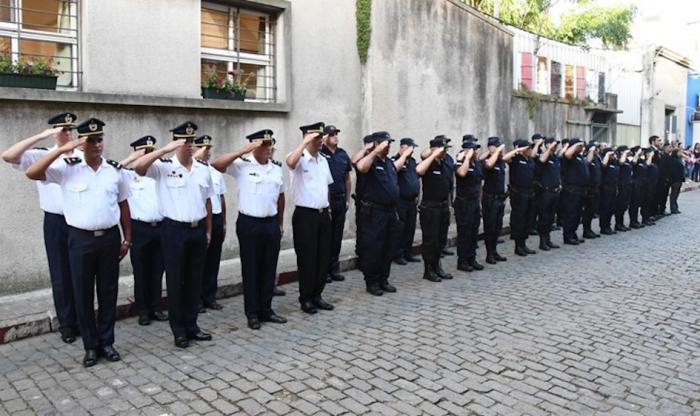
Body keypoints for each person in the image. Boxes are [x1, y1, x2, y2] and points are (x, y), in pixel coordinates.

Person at [25, 118, 132, 368]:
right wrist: (63, 149)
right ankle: (91, 346)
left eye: (99, 139)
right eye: (91, 140)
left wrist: (128, 238)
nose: (97, 145)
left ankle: (107, 341)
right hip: (80, 239)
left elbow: (124, 204)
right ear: (81, 143)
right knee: (82, 293)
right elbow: (32, 173)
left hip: (109, 239)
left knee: (108, 292)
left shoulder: (115, 170)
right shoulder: (67, 169)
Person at [133, 121, 215, 349]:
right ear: (176, 143)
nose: (189, 145)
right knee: (176, 281)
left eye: (191, 141)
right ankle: (178, 330)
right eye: (184, 141)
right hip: (173, 230)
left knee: (194, 280)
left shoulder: (202, 169)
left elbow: (207, 200)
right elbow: (138, 168)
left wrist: (208, 230)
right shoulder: (163, 166)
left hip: (196, 229)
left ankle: (192, 325)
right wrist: (165, 150)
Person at [1, 113, 81, 344]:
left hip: (80, 221)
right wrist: (41, 136)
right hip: (56, 221)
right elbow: (8, 156)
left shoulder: (83, 156)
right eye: (61, 129)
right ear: (53, 131)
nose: (67, 133)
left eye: (70, 129)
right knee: (61, 274)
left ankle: (83, 319)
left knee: (82, 273)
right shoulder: (41, 155)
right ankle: (67, 323)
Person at [213, 129, 287, 330]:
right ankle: (252, 313)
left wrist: (280, 222)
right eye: (263, 144)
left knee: (268, 268)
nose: (268, 148)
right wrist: (243, 150)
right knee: (251, 269)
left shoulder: (276, 168)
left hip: (270, 223)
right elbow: (217, 165)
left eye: (270, 144)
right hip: (250, 224)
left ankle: (266, 309)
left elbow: (281, 196)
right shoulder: (241, 165)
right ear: (253, 146)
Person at [285, 122, 334, 314]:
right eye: (317, 137)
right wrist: (305, 142)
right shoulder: (298, 157)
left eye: (321, 137)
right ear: (307, 137)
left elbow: (327, 187)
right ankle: (305, 298)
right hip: (305, 216)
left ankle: (317, 295)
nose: (321, 141)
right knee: (307, 258)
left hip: (323, 214)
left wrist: (328, 209)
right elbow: (290, 163)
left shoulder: (323, 160)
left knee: (323, 257)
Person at [119, 136, 168, 326]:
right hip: (140, 229)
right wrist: (132, 158)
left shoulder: (159, 172)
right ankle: (143, 310)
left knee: (158, 271)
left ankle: (155, 307)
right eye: (144, 152)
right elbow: (113, 168)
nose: (148, 155)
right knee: (141, 271)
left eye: (150, 151)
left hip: (160, 227)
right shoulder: (128, 175)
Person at [355, 131, 402, 295]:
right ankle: (372, 282)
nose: (388, 146)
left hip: (390, 211)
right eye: (385, 143)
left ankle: (383, 279)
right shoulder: (370, 160)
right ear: (376, 143)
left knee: (388, 247)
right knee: (374, 247)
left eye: (389, 143)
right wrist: (374, 150)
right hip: (374, 211)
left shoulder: (388, 162)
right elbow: (360, 166)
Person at [192, 135, 227, 312]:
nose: (207, 153)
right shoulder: (193, 170)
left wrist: (225, 222)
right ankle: (196, 299)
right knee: (199, 262)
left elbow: (221, 197)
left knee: (214, 260)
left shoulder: (214, 171)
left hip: (217, 217)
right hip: (204, 219)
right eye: (203, 149)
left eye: (208, 149)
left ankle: (209, 296)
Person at [417, 136, 453, 281]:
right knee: (430, 241)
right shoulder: (428, 163)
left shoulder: (445, 164)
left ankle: (437, 266)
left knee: (440, 241)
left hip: (443, 207)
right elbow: (419, 170)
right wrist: (433, 154)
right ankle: (428, 270)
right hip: (430, 208)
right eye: (442, 149)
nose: (444, 152)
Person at [481, 136, 521, 263]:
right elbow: (488, 165)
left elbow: (505, 157)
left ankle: (494, 251)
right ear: (491, 148)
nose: (501, 150)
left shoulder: (500, 162)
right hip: (490, 199)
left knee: (497, 227)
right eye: (497, 146)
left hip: (499, 199)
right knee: (490, 227)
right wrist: (495, 151)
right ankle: (489, 254)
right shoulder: (488, 160)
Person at [320, 125, 352, 283]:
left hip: (340, 199)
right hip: (327, 201)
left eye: (336, 134)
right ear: (325, 137)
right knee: (326, 237)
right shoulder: (320, 153)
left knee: (337, 237)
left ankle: (334, 268)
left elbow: (347, 178)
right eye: (332, 134)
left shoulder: (342, 154)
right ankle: (324, 270)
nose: (336, 137)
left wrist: (347, 200)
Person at [454, 137, 483, 271]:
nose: (475, 152)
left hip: (474, 202)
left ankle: (472, 258)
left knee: (473, 232)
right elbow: (462, 173)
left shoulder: (477, 164)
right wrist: (465, 158)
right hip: (463, 203)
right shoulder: (460, 162)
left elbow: (479, 184)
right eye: (473, 149)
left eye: (476, 150)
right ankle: (462, 261)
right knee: (464, 232)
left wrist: (480, 201)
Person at [507, 138, 540, 256]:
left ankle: (524, 244)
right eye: (528, 148)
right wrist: (518, 150)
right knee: (519, 220)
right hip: (519, 193)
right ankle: (518, 246)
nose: (530, 150)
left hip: (530, 193)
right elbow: (505, 158)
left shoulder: (530, 160)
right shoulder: (516, 159)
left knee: (527, 220)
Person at [392, 138, 421, 265]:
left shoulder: (412, 161)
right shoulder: (395, 160)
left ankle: (408, 252)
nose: (412, 150)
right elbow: (394, 171)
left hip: (412, 201)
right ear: (402, 147)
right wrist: (403, 156)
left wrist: (417, 194)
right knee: (400, 228)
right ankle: (398, 254)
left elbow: (416, 178)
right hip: (401, 200)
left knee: (410, 227)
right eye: (410, 147)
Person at [350, 135, 376, 259]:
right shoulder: (363, 159)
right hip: (363, 202)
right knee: (362, 230)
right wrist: (366, 149)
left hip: (376, 203)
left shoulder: (376, 159)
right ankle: (361, 256)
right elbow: (353, 161)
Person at [534, 137, 561, 250]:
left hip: (554, 191)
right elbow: (541, 160)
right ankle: (542, 241)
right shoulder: (544, 156)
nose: (555, 147)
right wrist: (549, 148)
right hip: (545, 192)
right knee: (544, 217)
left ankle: (548, 239)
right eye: (554, 145)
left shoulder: (555, 157)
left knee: (550, 218)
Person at [560, 138, 589, 244]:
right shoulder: (569, 157)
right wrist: (574, 145)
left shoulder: (580, 157)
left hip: (581, 190)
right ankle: (568, 236)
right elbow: (566, 154)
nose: (581, 148)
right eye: (579, 146)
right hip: (572, 190)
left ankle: (573, 233)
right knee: (570, 213)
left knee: (577, 214)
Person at [581, 142, 601, 239]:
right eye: (595, 149)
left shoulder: (597, 158)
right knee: (588, 211)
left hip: (596, 188)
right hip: (589, 189)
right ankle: (586, 230)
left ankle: (589, 229)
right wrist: (591, 151)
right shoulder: (587, 157)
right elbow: (587, 162)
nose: (597, 150)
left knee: (592, 211)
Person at [598, 148, 619, 235]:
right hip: (605, 188)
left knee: (611, 208)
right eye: (611, 155)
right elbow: (603, 166)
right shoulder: (604, 162)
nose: (613, 156)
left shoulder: (614, 162)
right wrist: (607, 155)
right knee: (605, 208)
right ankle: (603, 227)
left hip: (613, 187)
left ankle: (608, 225)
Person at [614, 146, 632, 232]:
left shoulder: (627, 160)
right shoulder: (618, 160)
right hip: (621, 185)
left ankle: (621, 223)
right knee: (620, 206)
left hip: (627, 185)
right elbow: (621, 163)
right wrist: (624, 153)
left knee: (624, 205)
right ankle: (618, 224)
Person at [628, 146, 647, 229]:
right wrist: (637, 154)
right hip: (635, 184)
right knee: (634, 204)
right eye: (640, 151)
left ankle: (636, 220)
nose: (642, 152)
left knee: (639, 203)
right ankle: (633, 221)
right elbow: (634, 162)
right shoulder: (632, 158)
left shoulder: (642, 160)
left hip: (642, 183)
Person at [642, 146, 659, 226]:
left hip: (653, 185)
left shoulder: (653, 162)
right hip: (647, 186)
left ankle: (648, 217)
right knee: (646, 202)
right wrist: (650, 156)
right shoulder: (645, 161)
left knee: (650, 202)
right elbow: (647, 165)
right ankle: (644, 218)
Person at [668, 147, 686, 214]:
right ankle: (673, 208)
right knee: (674, 194)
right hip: (675, 180)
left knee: (676, 194)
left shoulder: (679, 159)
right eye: (680, 152)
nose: (681, 153)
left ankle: (675, 207)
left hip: (679, 179)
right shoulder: (673, 160)